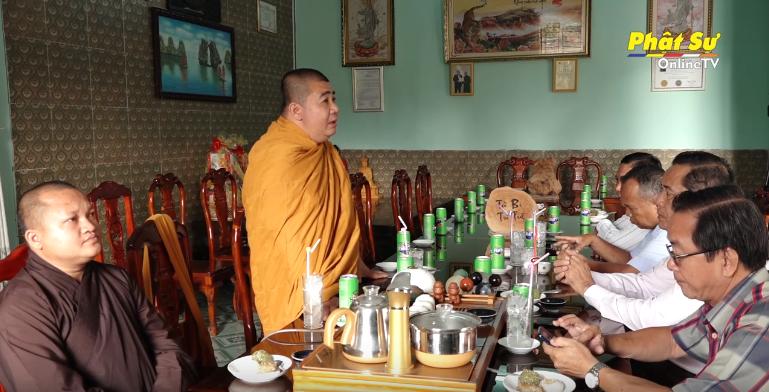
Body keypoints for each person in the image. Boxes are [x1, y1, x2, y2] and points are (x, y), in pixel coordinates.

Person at [544, 185, 769, 391]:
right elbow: (672, 342)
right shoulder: (729, 299)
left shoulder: (760, 321)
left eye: (679, 254)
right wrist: (601, 341)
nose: (671, 264)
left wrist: (593, 370)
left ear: (727, 261)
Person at [0, 181, 194, 391]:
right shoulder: (19, 309)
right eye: (72, 219)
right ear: (35, 238)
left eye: (90, 214)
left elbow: (166, 342)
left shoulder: (116, 278)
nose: (91, 226)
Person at [554, 161, 734, 381]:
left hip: (683, 374)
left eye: (667, 192)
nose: (657, 199)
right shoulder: (691, 245)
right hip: (663, 360)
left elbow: (653, 317)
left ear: (701, 198)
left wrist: (586, 286)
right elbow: (644, 287)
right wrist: (580, 277)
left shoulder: (714, 259)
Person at [242, 68, 387, 333]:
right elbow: (287, 241)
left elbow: (335, 225)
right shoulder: (276, 157)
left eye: (334, 99)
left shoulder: (324, 151)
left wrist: (360, 267)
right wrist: (316, 298)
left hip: (335, 291)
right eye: (325, 101)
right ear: (297, 111)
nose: (335, 109)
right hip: (299, 298)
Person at [557, 165, 668, 273]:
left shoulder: (666, 234)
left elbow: (632, 273)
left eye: (632, 208)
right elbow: (630, 260)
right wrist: (593, 240)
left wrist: (580, 263)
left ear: (659, 202)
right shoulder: (657, 229)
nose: (628, 215)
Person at [595, 152, 662, 251]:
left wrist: (601, 224)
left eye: (625, 180)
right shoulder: (632, 210)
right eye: (617, 180)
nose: (617, 188)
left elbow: (614, 242)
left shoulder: (650, 217)